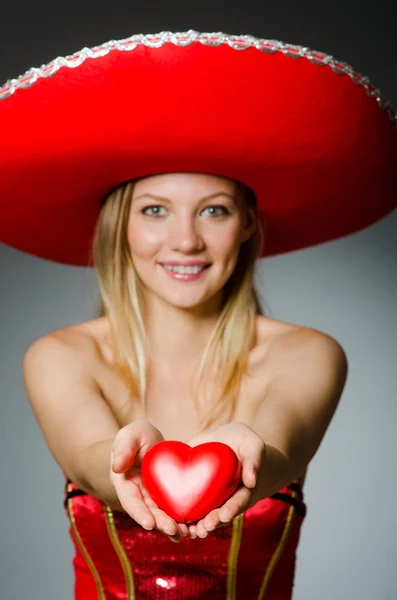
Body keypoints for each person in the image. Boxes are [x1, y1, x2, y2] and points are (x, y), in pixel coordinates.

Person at [1, 30, 396, 600]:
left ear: (248, 227)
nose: (185, 240)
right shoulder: (60, 356)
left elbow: (281, 449)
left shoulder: (308, 353)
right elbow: (90, 461)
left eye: (214, 210)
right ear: (123, 229)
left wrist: (244, 459)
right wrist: (125, 466)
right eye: (155, 210)